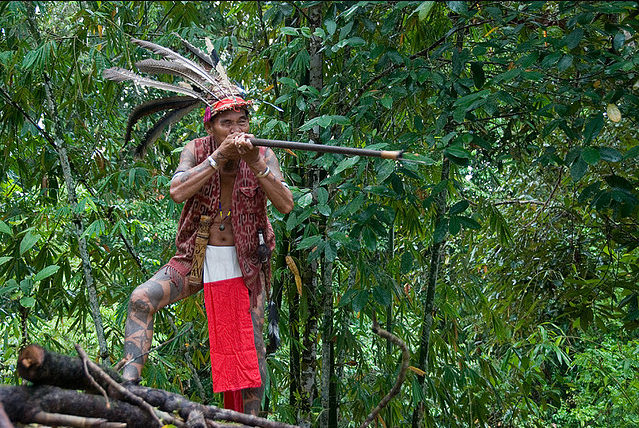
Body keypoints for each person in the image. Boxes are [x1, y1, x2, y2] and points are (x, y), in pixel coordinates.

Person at [121, 95, 294, 416]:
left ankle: (249, 421)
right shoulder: (196, 150)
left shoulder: (264, 153)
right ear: (211, 126)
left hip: (247, 266)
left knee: (252, 350)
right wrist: (217, 158)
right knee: (142, 299)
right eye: (226, 123)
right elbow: (177, 191)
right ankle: (128, 386)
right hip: (195, 259)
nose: (235, 129)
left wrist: (256, 163)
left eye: (242, 121)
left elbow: (285, 204)